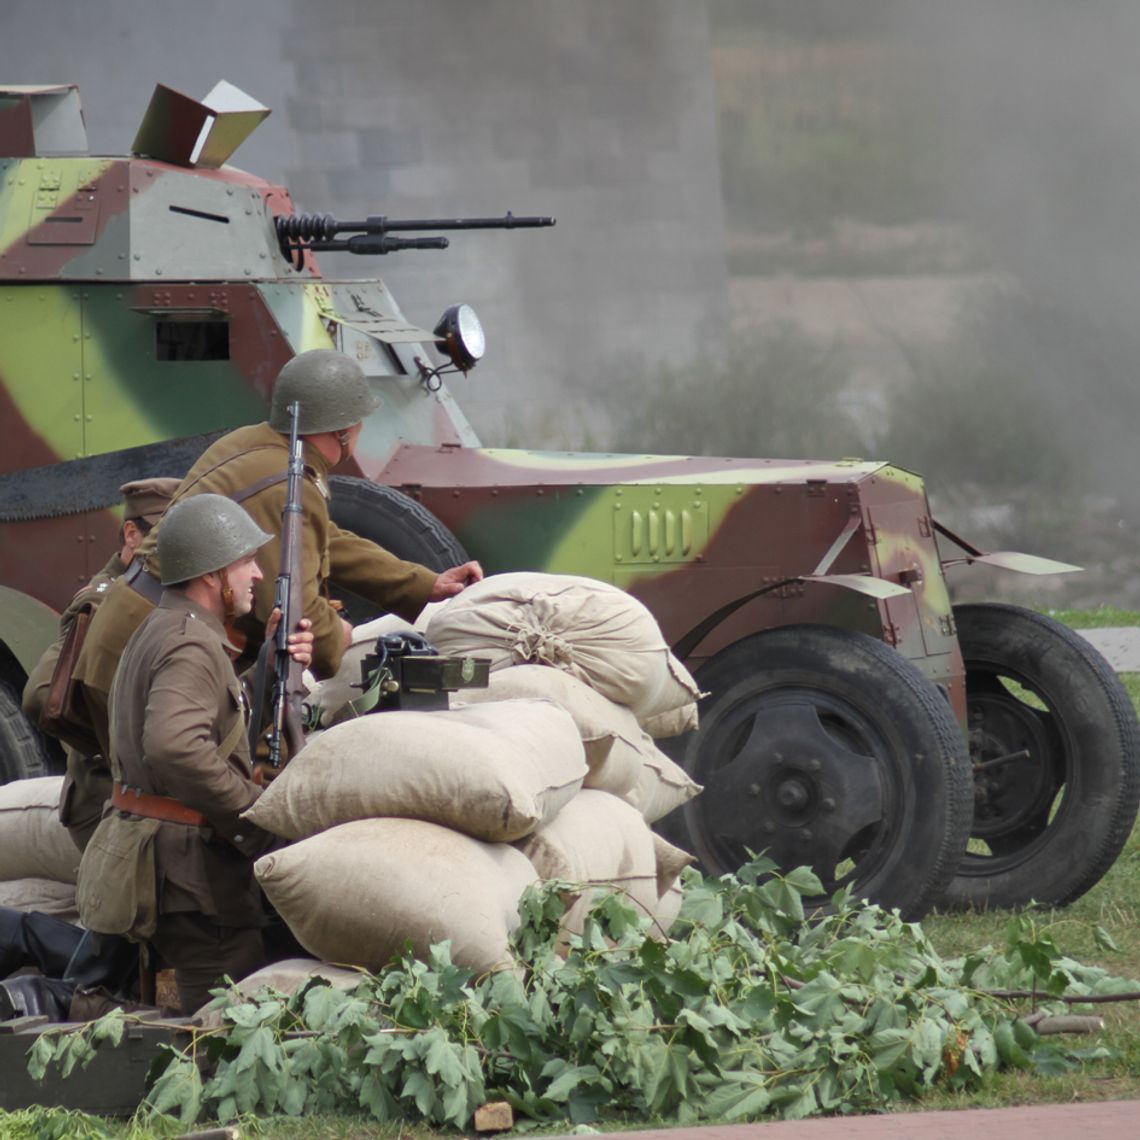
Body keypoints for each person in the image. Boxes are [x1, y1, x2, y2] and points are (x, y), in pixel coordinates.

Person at [71, 349, 482, 759]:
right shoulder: (283, 483)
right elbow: (293, 613)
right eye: (358, 421)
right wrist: (332, 636)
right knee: (188, 792)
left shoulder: (260, 447)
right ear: (341, 429)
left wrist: (423, 583)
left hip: (141, 634)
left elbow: (325, 540)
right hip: (155, 655)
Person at [76, 494, 315, 1016]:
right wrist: (256, 815)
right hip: (191, 877)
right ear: (212, 576)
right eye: (245, 562)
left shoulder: (165, 628)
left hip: (159, 862)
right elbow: (175, 746)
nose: (256, 573)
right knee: (223, 1037)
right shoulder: (191, 644)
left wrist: (268, 670)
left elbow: (211, 720)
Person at [22, 477, 181, 850]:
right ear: (131, 535)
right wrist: (123, 748)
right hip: (108, 802)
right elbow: (42, 697)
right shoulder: (104, 603)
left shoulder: (160, 594)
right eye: (163, 535)